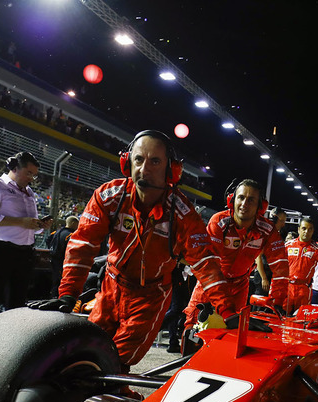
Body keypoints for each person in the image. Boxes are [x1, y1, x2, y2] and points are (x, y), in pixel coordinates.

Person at [30, 130, 238, 367]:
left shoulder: (183, 213)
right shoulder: (109, 196)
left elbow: (205, 265)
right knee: (90, 348)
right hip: (111, 286)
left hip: (151, 295)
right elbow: (82, 245)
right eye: (139, 159)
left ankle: (114, 392)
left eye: (155, 161)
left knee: (118, 359)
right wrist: (68, 294)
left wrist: (228, 311)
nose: (144, 168)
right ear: (127, 162)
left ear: (171, 171)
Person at [184, 179, 288, 334]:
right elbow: (210, 269)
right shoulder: (219, 222)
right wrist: (226, 311)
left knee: (234, 336)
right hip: (211, 283)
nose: (244, 203)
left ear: (261, 206)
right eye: (241, 198)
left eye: (251, 199)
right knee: (192, 331)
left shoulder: (267, 229)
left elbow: (281, 265)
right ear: (232, 200)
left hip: (240, 285)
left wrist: (278, 301)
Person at [0, 152, 51, 327]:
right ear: (14, 168)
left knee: (17, 302)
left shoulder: (29, 192)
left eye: (34, 174)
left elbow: (29, 225)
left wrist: (40, 225)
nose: (31, 178)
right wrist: (21, 222)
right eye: (28, 173)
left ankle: (11, 343)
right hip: (1, 250)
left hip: (25, 252)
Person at [254, 207, 287, 296]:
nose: (283, 225)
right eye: (282, 221)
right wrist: (264, 278)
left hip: (270, 276)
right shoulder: (265, 234)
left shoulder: (277, 235)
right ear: (275, 218)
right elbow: (258, 257)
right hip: (263, 276)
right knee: (260, 304)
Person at [47, 215, 79, 297]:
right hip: (63, 261)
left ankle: (53, 296)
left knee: (55, 281)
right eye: (77, 224)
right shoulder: (70, 235)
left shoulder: (55, 233)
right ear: (73, 223)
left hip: (53, 260)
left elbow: (48, 240)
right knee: (63, 281)